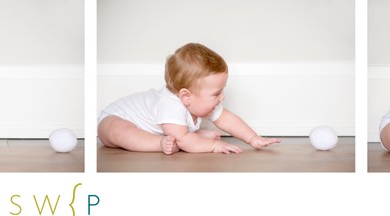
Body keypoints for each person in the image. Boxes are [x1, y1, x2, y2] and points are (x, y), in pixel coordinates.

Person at [98, 43, 281, 155]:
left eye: (222, 91)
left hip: (166, 130)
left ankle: (184, 136)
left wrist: (253, 139)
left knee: (181, 136)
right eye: (217, 93)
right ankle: (159, 143)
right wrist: (213, 145)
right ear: (186, 96)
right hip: (115, 118)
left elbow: (228, 119)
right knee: (119, 131)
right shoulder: (170, 104)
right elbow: (184, 142)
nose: (222, 97)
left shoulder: (202, 103)